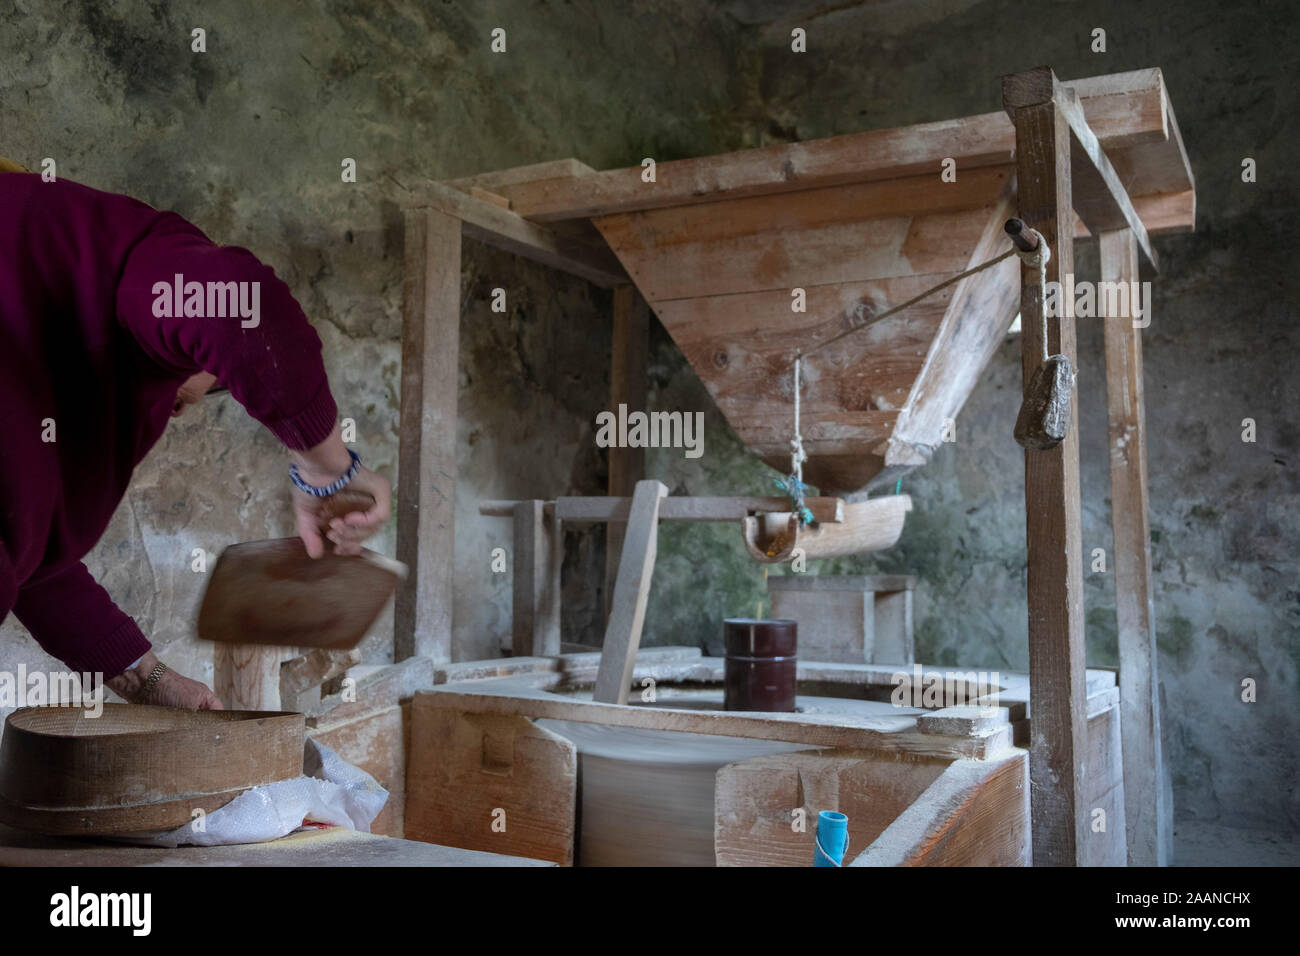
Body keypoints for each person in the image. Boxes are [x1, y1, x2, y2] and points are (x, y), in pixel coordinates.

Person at [0, 167, 391, 709]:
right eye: (218, 385)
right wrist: (329, 467)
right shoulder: (123, 255)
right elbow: (240, 305)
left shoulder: (48, 353)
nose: (188, 409)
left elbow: (37, 563)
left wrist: (149, 680)